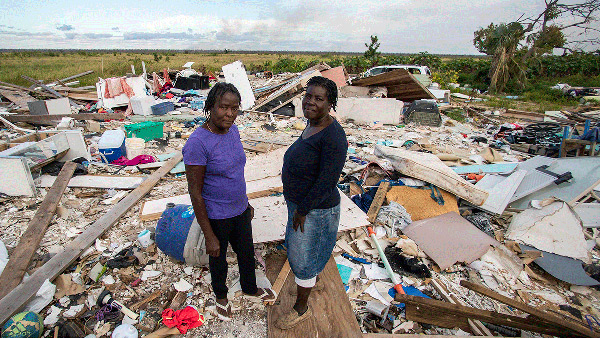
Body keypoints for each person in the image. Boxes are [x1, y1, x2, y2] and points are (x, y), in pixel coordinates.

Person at [183, 82, 276, 321]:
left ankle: (249, 287)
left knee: (246, 253)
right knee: (218, 258)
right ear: (211, 107)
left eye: (235, 108)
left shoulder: (233, 130)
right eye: (224, 108)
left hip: (240, 209)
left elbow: (235, 171)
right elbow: (195, 192)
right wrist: (209, 234)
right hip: (216, 215)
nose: (230, 114)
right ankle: (221, 296)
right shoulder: (198, 143)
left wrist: (245, 203)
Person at [276, 76, 348, 329]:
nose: (311, 102)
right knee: (301, 251)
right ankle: (308, 281)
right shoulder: (311, 125)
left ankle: (301, 307)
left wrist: (303, 210)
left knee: (303, 259)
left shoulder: (333, 137)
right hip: (301, 205)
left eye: (319, 98)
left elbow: (327, 180)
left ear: (331, 104)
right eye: (308, 96)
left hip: (315, 209)